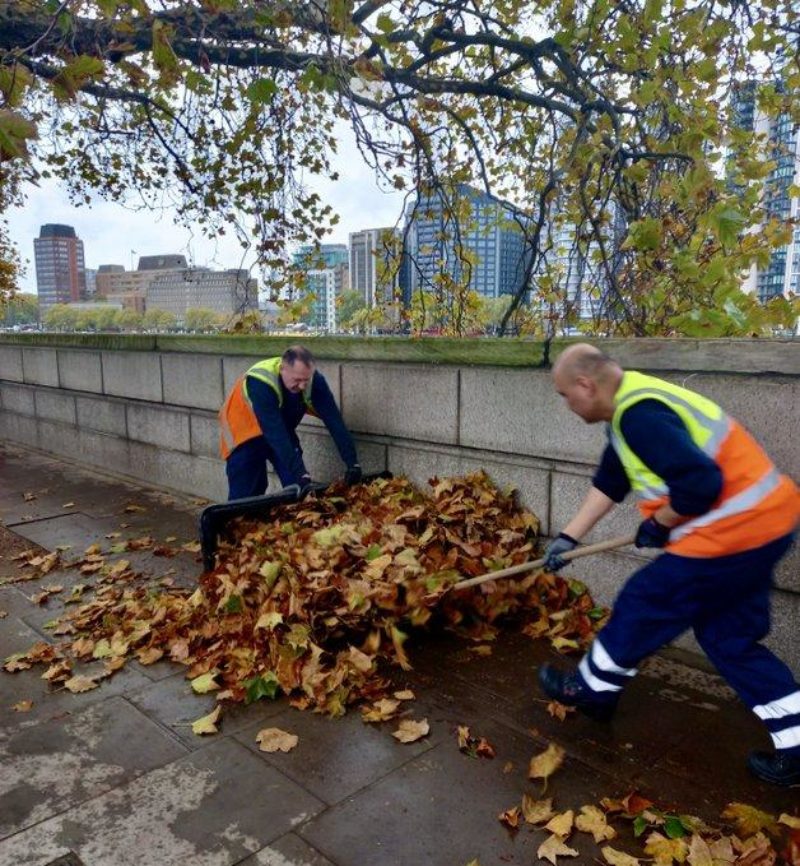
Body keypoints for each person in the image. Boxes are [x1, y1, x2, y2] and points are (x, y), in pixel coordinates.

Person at [539, 343, 800, 786]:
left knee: (646, 599)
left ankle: (591, 688)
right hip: (769, 524)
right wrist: (568, 538)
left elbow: (700, 482)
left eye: (565, 395)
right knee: (728, 638)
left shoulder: (640, 416)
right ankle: (797, 745)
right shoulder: (631, 409)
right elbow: (611, 481)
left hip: (733, 534)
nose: (566, 405)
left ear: (586, 384)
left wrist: (660, 523)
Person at [219, 345, 361, 500]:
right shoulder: (260, 382)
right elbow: (275, 433)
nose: (302, 386)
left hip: (281, 429)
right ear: (282, 369)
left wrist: (352, 463)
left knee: (298, 490)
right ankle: (236, 523)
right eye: (297, 380)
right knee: (247, 494)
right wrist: (301, 473)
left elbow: (334, 420)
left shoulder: (314, 381)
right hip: (244, 435)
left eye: (305, 380)